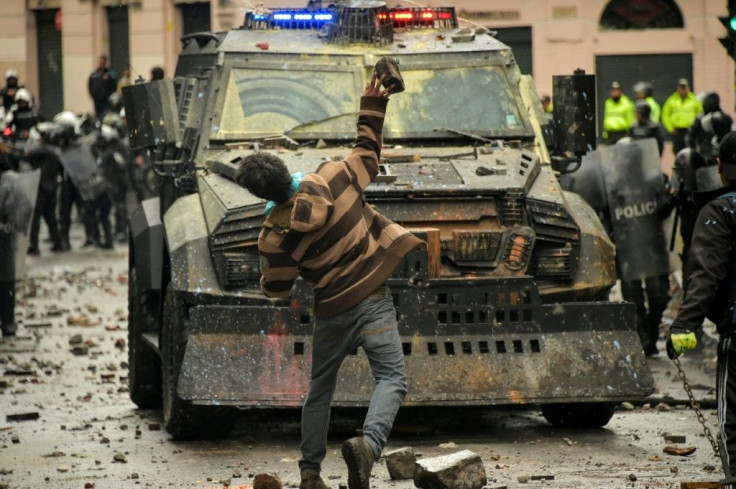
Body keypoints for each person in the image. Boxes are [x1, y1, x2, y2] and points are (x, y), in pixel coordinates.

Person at [235, 72, 423, 489]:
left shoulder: (272, 234)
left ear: (258, 193)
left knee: (319, 388)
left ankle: (310, 474)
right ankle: (369, 446)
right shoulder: (336, 176)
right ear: (287, 168)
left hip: (332, 310)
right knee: (392, 378)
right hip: (372, 297)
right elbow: (369, 150)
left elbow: (277, 289)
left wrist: (270, 240)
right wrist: (373, 103)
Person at [666, 130, 736, 488]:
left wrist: (684, 325)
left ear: (721, 167)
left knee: (734, 422)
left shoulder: (719, 211)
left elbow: (706, 274)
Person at [0, 157, 34, 336]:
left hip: (4, 238)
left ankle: (7, 322)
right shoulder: (12, 181)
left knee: (6, 281)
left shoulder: (8, 182)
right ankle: (8, 322)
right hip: (6, 238)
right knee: (6, 283)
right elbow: (25, 207)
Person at [25, 123, 64, 255]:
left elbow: (29, 153)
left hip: (43, 188)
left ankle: (34, 246)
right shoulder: (55, 151)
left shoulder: (47, 150)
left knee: (37, 218)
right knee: (50, 217)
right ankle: (58, 242)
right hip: (50, 187)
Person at [688, 92, 733, 165]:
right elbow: (691, 139)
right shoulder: (699, 121)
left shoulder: (724, 118)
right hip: (705, 158)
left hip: (722, 158)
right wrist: (692, 156)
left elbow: (731, 137)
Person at [662, 78, 703, 155]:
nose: (683, 90)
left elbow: (700, 114)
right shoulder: (671, 100)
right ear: (678, 89)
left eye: (685, 88)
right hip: (677, 131)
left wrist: (696, 127)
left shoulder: (694, 100)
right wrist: (670, 128)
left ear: (688, 88)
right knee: (678, 151)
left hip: (690, 130)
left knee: (691, 150)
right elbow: (665, 115)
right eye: (681, 88)